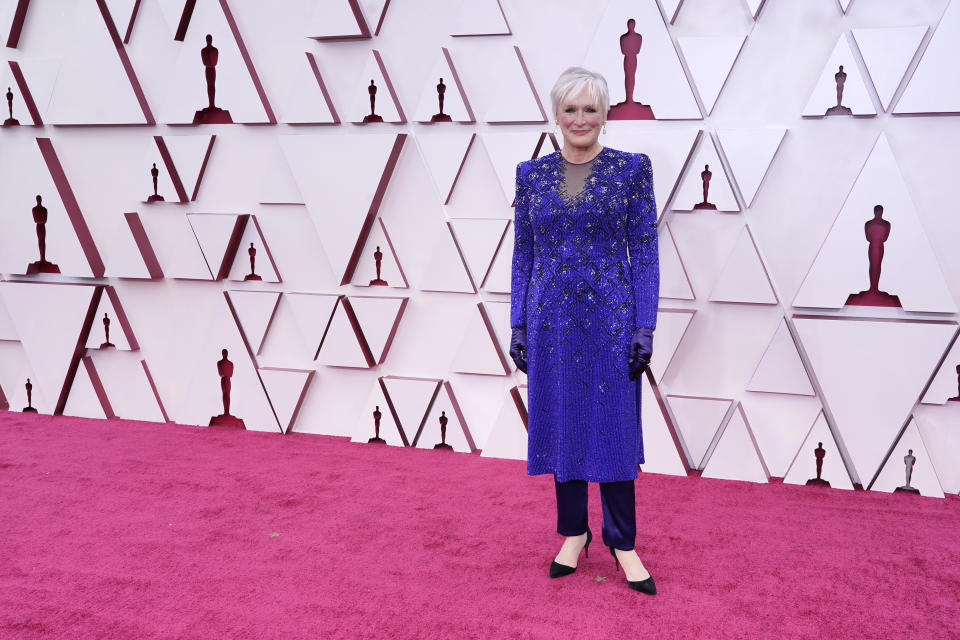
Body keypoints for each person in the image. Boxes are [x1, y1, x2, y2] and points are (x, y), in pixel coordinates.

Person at [509, 67, 659, 595]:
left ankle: (623, 541)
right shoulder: (531, 175)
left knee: (615, 430)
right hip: (550, 325)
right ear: (556, 114)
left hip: (612, 324)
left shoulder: (632, 171)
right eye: (570, 109)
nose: (580, 119)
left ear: (606, 114)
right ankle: (574, 532)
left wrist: (645, 326)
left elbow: (643, 253)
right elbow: (523, 254)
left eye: (590, 109)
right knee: (562, 428)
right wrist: (519, 323)